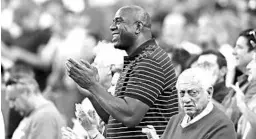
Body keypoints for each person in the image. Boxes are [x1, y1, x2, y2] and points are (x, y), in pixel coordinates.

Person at [66, 5, 179, 139]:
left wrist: (93, 86)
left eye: (119, 22)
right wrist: (92, 93)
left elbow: (130, 116)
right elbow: (116, 118)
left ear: (138, 27)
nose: (112, 27)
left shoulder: (150, 60)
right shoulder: (136, 60)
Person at [143, 68, 236, 139]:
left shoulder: (222, 126)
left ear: (209, 92)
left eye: (193, 93)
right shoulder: (175, 120)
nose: (186, 99)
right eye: (182, 93)